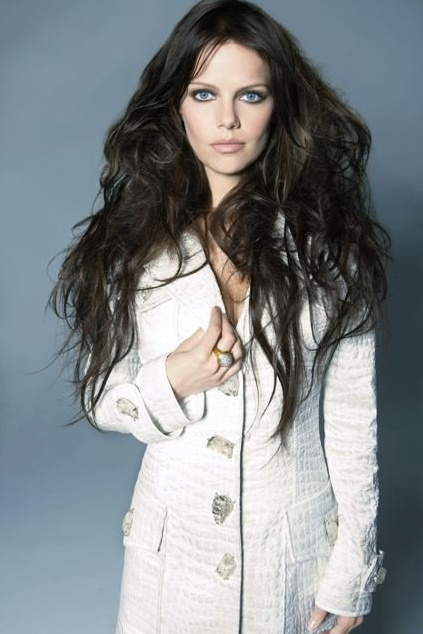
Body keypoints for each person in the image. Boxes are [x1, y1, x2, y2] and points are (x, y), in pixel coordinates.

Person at [49, 0, 391, 632]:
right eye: (204, 94)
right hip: (169, 565)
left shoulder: (330, 251)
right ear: (176, 106)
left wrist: (353, 568)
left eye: (250, 95)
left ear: (279, 106)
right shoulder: (133, 248)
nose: (227, 119)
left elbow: (352, 422)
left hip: (289, 563)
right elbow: (101, 398)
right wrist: (171, 381)